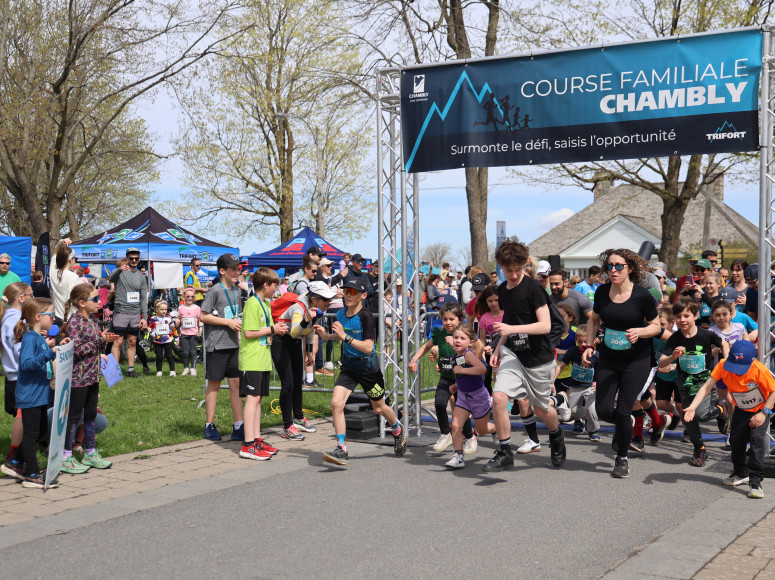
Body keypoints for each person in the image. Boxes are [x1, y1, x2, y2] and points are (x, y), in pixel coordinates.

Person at [486, 241, 566, 472]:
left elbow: (545, 325)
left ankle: (556, 435)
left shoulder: (534, 289)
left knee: (541, 410)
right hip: (513, 353)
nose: (513, 275)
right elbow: (509, 321)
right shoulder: (502, 290)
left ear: (524, 265)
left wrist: (511, 330)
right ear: (500, 266)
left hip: (538, 358)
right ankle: (505, 452)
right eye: (508, 270)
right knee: (498, 398)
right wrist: (499, 346)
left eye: (517, 269)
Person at [584, 248, 661, 478]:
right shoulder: (602, 292)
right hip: (609, 358)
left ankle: (622, 458)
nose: (613, 270)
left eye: (619, 266)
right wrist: (589, 346)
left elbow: (656, 326)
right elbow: (594, 320)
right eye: (610, 266)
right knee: (603, 410)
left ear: (630, 268)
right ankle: (624, 422)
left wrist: (640, 331)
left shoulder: (642, 296)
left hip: (636, 360)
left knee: (624, 409)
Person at [314, 278, 406, 466]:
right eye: (346, 291)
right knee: (336, 403)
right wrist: (327, 336)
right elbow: (341, 335)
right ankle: (341, 448)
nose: (348, 295)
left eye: (353, 292)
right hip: (349, 367)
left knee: (378, 408)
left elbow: (368, 347)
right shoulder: (340, 314)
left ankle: (397, 428)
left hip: (368, 368)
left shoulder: (366, 317)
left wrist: (344, 337)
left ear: (363, 296)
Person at [684, 340, 775, 499]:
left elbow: (774, 391)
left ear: (752, 361)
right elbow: (706, 387)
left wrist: (764, 414)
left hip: (761, 410)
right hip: (741, 409)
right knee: (735, 441)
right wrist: (693, 406)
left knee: (756, 441)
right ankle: (741, 473)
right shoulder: (723, 365)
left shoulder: (759, 370)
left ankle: (755, 482)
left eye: (741, 368)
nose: (737, 372)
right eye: (735, 366)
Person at [659, 297, 730, 467]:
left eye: (686, 316)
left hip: (704, 382)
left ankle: (720, 409)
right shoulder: (675, 338)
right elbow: (661, 363)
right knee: (687, 416)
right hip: (684, 382)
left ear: (696, 316)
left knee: (700, 415)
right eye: (678, 317)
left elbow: (724, 343)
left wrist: (725, 362)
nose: (682, 320)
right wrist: (672, 357)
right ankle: (699, 448)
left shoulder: (706, 334)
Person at [60, 284, 116, 474]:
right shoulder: (74, 322)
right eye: (95, 299)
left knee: (90, 414)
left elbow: (92, 346)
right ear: (82, 303)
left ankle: (90, 452)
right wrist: (100, 341)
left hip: (93, 376)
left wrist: (103, 342)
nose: (99, 302)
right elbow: (76, 349)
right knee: (74, 416)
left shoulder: (92, 319)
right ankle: (65, 456)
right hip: (78, 377)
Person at [409, 302, 477, 453]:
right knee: (439, 403)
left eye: (452, 319)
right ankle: (445, 434)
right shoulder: (439, 333)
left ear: (460, 319)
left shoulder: (463, 335)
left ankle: (469, 436)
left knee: (461, 409)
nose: (448, 322)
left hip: (461, 379)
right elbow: (426, 346)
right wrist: (414, 359)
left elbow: (470, 353)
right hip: (446, 377)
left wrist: (454, 344)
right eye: (445, 319)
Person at [14, 298, 67, 488]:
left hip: (39, 395)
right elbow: (27, 364)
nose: (53, 318)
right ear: (38, 317)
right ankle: (31, 474)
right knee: (32, 434)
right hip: (30, 395)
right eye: (51, 314)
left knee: (41, 431)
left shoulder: (38, 338)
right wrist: (50, 351)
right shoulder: (30, 338)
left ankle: (15, 461)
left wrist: (55, 348)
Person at [272, 280, 334, 440]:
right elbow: (294, 331)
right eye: (326, 299)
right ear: (314, 299)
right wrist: (306, 319)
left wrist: (310, 353)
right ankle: (287, 426)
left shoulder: (316, 310)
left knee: (297, 382)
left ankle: (299, 418)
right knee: (288, 384)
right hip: (281, 342)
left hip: (295, 343)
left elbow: (311, 331)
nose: (329, 302)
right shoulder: (299, 308)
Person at [238, 268, 288, 461]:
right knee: (252, 399)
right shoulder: (252, 303)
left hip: (262, 359)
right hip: (251, 359)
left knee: (258, 399)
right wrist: (272, 329)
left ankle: (256, 439)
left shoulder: (266, 304)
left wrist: (276, 330)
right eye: (275, 285)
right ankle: (247, 444)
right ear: (265, 285)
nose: (277, 289)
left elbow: (265, 329)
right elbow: (248, 333)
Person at [200, 253, 245, 442]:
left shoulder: (237, 291)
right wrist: (228, 322)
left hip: (233, 344)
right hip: (217, 345)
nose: (237, 272)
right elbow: (203, 316)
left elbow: (237, 315)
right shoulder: (215, 291)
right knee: (214, 385)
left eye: (238, 269)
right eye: (233, 269)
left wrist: (239, 333)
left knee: (236, 384)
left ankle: (238, 425)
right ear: (222, 271)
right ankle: (209, 425)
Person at [444, 324, 497, 469]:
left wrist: (462, 371)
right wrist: (456, 385)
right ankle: (458, 456)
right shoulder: (455, 356)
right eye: (456, 337)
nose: (458, 340)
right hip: (463, 397)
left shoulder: (468, 354)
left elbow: (482, 368)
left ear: (470, 342)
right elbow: (461, 375)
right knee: (456, 425)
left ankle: (496, 429)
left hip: (479, 397)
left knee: (482, 429)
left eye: (462, 338)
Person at [0, 282, 32, 479]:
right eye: (30, 295)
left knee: (26, 417)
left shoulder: (10, 317)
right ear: (21, 298)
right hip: (21, 376)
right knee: (24, 417)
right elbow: (21, 352)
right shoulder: (15, 320)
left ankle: (17, 458)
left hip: (16, 376)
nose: (33, 298)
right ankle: (14, 459)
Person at [555, 324, 601, 441]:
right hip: (575, 386)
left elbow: (602, 371)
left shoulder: (596, 355)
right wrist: (553, 379)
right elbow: (561, 366)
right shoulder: (573, 351)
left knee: (591, 410)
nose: (583, 345)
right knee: (573, 411)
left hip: (590, 386)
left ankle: (593, 430)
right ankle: (586, 419)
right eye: (580, 342)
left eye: (586, 342)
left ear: (592, 341)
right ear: (576, 340)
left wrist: (598, 382)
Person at [110, 248, 149, 378]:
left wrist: (145, 317)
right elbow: (111, 278)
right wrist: (120, 269)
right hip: (121, 311)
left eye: (136, 258)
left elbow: (143, 298)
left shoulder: (141, 277)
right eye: (131, 258)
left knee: (132, 342)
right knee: (118, 342)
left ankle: (131, 370)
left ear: (139, 259)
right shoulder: (120, 272)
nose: (134, 260)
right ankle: (114, 372)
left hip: (135, 313)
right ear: (127, 259)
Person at [476, 283, 502, 395]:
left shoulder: (507, 313)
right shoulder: (484, 318)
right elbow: (482, 340)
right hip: (495, 354)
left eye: (496, 300)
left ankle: (516, 401)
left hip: (510, 352)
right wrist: (482, 352)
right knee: (498, 383)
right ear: (486, 302)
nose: (494, 303)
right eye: (490, 301)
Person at [50, 243, 80, 325]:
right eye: (75, 258)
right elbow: (73, 299)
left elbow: (54, 258)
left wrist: (59, 245)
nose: (75, 261)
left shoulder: (53, 273)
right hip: (69, 319)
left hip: (55, 317)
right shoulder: (73, 276)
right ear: (70, 260)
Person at [149, 300, 177, 377]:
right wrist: (151, 333)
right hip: (157, 341)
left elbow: (173, 328)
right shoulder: (153, 318)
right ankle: (159, 371)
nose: (164, 311)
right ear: (157, 309)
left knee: (169, 355)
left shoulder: (169, 318)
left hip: (168, 340)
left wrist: (176, 338)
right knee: (159, 356)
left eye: (165, 309)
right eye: (162, 309)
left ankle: (172, 371)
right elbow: (150, 328)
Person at [177, 288, 201, 376]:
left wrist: (200, 329)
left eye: (192, 296)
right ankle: (186, 368)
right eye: (188, 296)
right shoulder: (180, 308)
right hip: (184, 333)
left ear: (194, 297)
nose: (190, 298)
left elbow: (200, 320)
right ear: (184, 297)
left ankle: (193, 368)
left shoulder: (197, 308)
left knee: (193, 351)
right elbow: (179, 318)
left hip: (194, 333)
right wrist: (177, 321)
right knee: (185, 352)